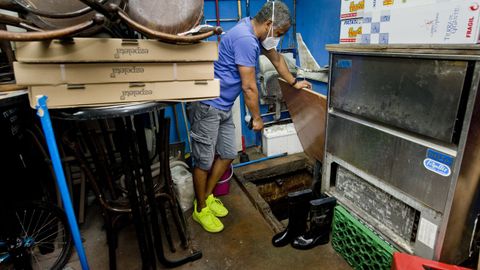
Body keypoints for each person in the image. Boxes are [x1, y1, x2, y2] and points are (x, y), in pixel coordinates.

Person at [188, 0, 312, 233]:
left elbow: (277, 59)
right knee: (203, 161)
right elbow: (249, 87)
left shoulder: (254, 31)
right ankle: (201, 207)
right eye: (280, 33)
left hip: (222, 105)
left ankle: (207, 195)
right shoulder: (246, 39)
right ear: (268, 24)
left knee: (226, 154)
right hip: (207, 105)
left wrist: (294, 82)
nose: (279, 38)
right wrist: (257, 118)